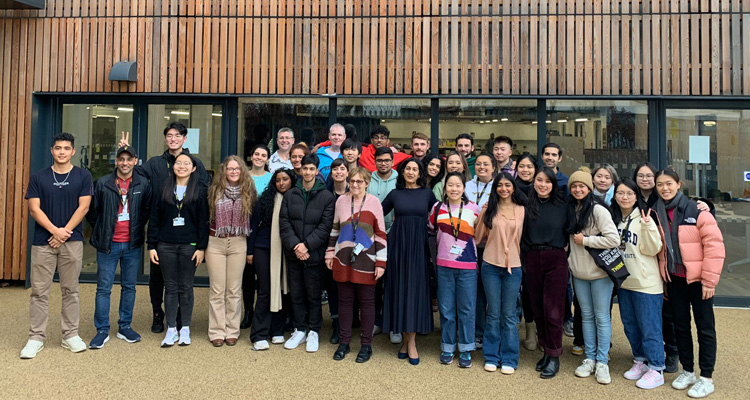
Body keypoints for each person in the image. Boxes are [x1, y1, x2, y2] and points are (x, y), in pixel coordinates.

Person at [130, 122, 210, 334]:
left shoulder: (195, 164)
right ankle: (158, 314)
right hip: (162, 231)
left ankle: (180, 320)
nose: (173, 139)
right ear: (165, 139)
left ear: (185, 139)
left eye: (177, 136)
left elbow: (203, 198)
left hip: (186, 235)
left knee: (182, 282)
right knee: (157, 279)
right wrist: (128, 155)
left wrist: (201, 243)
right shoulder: (155, 163)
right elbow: (133, 174)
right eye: (169, 136)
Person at [21, 132, 93, 359]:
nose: (62, 152)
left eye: (66, 148)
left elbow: (83, 208)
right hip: (43, 243)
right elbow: (34, 209)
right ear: (52, 151)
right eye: (58, 148)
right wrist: (55, 231)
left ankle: (70, 335)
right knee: (39, 292)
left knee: (70, 290)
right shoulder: (39, 177)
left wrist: (63, 234)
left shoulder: (83, 176)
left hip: (72, 242)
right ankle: (35, 337)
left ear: (73, 151)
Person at [655, 169, 725, 399]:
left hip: (698, 280)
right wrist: (665, 278)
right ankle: (688, 370)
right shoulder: (658, 212)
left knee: (705, 328)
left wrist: (709, 280)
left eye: (669, 183)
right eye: (660, 184)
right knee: (681, 326)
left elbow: (714, 247)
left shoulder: (697, 211)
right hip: (675, 279)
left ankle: (706, 377)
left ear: (679, 184)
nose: (664, 188)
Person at [87, 144, 152, 349]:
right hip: (108, 244)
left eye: (129, 159)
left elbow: (146, 211)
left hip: (132, 244)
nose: (125, 163)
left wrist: (136, 229)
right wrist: (103, 229)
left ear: (135, 161)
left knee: (129, 287)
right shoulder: (103, 183)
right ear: (116, 162)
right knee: (103, 288)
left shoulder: (143, 184)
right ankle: (102, 330)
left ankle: (125, 326)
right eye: (121, 159)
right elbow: (92, 212)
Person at [147, 152, 209, 347]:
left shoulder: (199, 190)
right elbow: (154, 219)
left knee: (186, 287)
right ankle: (171, 328)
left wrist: (201, 247)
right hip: (165, 245)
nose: (181, 166)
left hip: (189, 246)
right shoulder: (164, 188)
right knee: (171, 287)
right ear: (173, 166)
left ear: (194, 168)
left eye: (186, 163)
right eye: (178, 163)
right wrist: (151, 246)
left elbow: (203, 222)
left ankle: (186, 329)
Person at [326, 167, 387, 363]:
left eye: (359, 182)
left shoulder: (374, 202)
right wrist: (329, 253)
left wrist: (381, 262)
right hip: (343, 258)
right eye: (352, 181)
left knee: (367, 304)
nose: (355, 185)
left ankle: (366, 345)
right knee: (344, 303)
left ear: (367, 183)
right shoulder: (341, 201)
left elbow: (380, 233)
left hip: (367, 260)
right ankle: (344, 342)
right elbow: (335, 229)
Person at [565, 171, 620, 385]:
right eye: (574, 186)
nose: (578, 189)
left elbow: (613, 239)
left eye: (582, 186)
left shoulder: (598, 210)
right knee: (585, 315)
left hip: (599, 274)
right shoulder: (570, 210)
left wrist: (586, 240)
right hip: (578, 273)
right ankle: (589, 358)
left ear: (589, 188)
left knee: (601, 316)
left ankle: (602, 361)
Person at [612, 178, 667, 390]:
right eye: (620, 193)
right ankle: (640, 361)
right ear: (614, 195)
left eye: (629, 193)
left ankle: (657, 367)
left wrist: (647, 228)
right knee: (631, 325)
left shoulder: (645, 218)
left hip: (646, 283)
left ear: (636, 196)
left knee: (650, 327)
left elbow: (654, 249)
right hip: (625, 282)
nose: (624, 197)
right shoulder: (615, 219)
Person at [382, 158, 438, 365]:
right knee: (400, 290)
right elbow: (376, 212)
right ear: (402, 172)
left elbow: (440, 215)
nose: (411, 172)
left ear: (420, 173)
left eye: (415, 169)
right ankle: (406, 341)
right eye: (408, 169)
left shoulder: (428, 194)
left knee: (416, 291)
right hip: (398, 247)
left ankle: (411, 342)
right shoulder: (395, 194)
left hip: (419, 248)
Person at [279, 153, 336, 352]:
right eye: (305, 168)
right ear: (300, 169)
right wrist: (297, 246)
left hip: (314, 254)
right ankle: (300, 329)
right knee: (297, 293)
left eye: (312, 169)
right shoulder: (291, 194)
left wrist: (307, 246)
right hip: (294, 254)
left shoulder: (326, 196)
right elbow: (284, 224)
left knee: (313, 295)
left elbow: (325, 226)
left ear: (317, 170)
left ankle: (313, 331)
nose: (309, 172)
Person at [475, 172, 526, 374]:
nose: (504, 188)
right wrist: (483, 215)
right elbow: (478, 237)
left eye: (508, 185)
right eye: (500, 185)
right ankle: (491, 355)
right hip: (491, 265)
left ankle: (509, 358)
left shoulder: (522, 210)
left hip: (514, 266)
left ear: (513, 187)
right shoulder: (490, 209)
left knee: (510, 314)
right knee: (493, 313)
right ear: (495, 188)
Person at [428, 172, 480, 368]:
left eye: (458, 185)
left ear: (463, 188)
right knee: (447, 309)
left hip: (467, 265)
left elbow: (480, 234)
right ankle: (447, 346)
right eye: (450, 185)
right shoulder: (437, 207)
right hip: (444, 265)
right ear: (445, 187)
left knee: (466, 309)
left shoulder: (473, 209)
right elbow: (431, 229)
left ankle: (466, 348)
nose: (454, 189)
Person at [206, 156, 257, 347]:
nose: (234, 172)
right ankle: (217, 331)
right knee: (217, 290)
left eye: (237, 168)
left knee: (234, 290)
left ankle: (232, 330)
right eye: (230, 169)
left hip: (238, 242)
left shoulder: (249, 191)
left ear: (242, 170)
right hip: (216, 242)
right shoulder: (214, 190)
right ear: (224, 171)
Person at [523, 167, 569, 379]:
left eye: (547, 181)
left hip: (555, 258)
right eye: (539, 180)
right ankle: (545, 349)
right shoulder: (527, 204)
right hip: (532, 258)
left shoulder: (563, 205)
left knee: (553, 310)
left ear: (553, 184)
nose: (542, 184)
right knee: (538, 308)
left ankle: (554, 354)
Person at [248, 169, 297, 350]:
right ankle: (259, 334)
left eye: (285, 179)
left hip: (287, 250)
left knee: (283, 290)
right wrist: (250, 251)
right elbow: (253, 225)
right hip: (263, 248)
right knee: (266, 290)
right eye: (277, 180)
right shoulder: (266, 200)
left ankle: (277, 330)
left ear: (292, 181)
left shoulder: (296, 199)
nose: (281, 183)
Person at [463, 152, 496, 350]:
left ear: (494, 167)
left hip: (490, 245)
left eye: (486, 164)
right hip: (468, 244)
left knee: (488, 291)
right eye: (479, 164)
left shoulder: (499, 185)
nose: (482, 167)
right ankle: (476, 332)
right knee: (473, 292)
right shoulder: (467, 186)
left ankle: (488, 333)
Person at [367, 146, 399, 341]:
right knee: (375, 282)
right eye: (380, 160)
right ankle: (377, 321)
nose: (384, 163)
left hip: (395, 235)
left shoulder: (400, 180)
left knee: (393, 282)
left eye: (387, 160)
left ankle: (394, 324)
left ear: (392, 161)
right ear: (375, 161)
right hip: (372, 237)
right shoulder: (368, 178)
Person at [241, 143, 273, 330]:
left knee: (262, 277)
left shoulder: (271, 179)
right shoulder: (243, 177)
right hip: (242, 231)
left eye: (263, 155)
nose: (259, 157)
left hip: (261, 233)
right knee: (246, 276)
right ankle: (247, 311)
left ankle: (261, 312)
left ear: (268, 159)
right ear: (251, 156)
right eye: (256, 154)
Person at [323, 157, 349, 344]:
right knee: (333, 285)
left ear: (348, 171)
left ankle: (349, 321)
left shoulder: (355, 191)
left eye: (342, 169)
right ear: (331, 173)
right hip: (329, 244)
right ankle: (336, 323)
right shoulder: (325, 194)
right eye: (335, 169)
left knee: (348, 285)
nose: (339, 172)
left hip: (351, 246)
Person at [332, 125, 410, 172]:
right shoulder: (363, 151)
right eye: (376, 137)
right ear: (371, 140)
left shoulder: (396, 155)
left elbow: (416, 157)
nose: (379, 140)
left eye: (382, 138)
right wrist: (321, 144)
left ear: (388, 141)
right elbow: (341, 143)